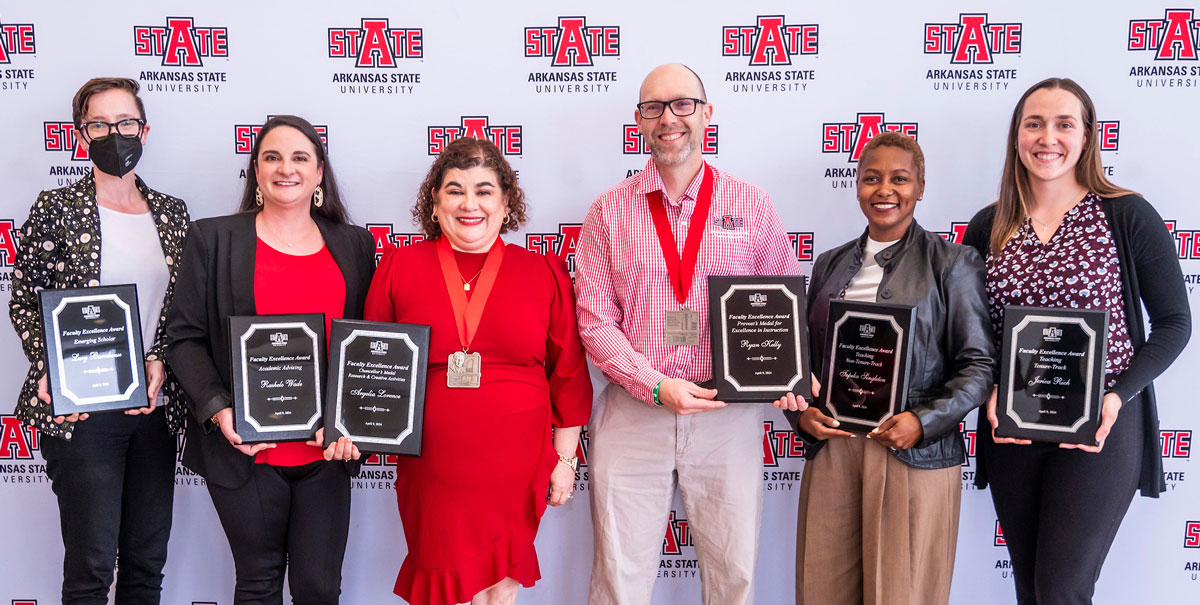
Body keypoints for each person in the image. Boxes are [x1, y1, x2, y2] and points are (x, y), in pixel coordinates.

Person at [574, 63, 803, 605]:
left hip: (727, 414)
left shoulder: (750, 204)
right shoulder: (608, 211)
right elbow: (595, 320)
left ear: (706, 112)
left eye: (682, 104)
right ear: (639, 120)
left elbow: (783, 304)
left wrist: (789, 372)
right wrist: (655, 384)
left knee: (733, 577)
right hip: (633, 413)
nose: (668, 118)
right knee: (619, 580)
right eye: (653, 107)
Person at [962, 77, 1190, 604]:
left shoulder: (1126, 215)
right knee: (1030, 589)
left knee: (1062, 589)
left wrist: (1117, 397)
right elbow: (971, 332)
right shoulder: (988, 225)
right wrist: (990, 388)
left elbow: (1175, 323)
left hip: (1099, 427)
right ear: (1017, 136)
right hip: (1012, 429)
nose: (1048, 138)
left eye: (1064, 124)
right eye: (1034, 124)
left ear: (1087, 136)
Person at [363, 136, 591, 605]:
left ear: (506, 204)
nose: (470, 204)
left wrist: (566, 461)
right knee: (442, 589)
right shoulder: (400, 266)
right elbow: (370, 365)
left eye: (485, 191)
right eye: (455, 190)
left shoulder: (542, 273)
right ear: (435, 203)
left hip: (516, 467)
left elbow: (568, 373)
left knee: (499, 592)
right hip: (432, 468)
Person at [166, 115, 375, 604]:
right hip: (246, 451)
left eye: (300, 158)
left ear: (319, 172)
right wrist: (219, 409)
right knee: (258, 583)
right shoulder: (213, 239)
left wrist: (357, 422)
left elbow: (368, 346)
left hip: (326, 452)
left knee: (319, 589)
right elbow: (184, 339)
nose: (286, 168)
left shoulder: (355, 244)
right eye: (272, 157)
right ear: (256, 170)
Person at [788, 132, 994, 605]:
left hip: (913, 453)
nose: (884, 190)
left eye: (899, 179)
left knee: (903, 593)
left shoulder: (953, 263)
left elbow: (979, 365)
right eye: (871, 178)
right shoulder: (829, 264)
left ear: (920, 187)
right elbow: (802, 361)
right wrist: (800, 415)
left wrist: (923, 422)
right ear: (857, 185)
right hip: (835, 449)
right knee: (821, 590)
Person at [7, 77, 190, 605]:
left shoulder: (173, 213)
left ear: (144, 130)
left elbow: (182, 310)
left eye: (125, 122)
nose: (115, 134)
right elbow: (26, 301)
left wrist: (160, 359)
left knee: (145, 564)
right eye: (100, 124)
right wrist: (49, 364)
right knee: (90, 567)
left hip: (153, 410)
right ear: (80, 134)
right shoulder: (56, 207)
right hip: (81, 411)